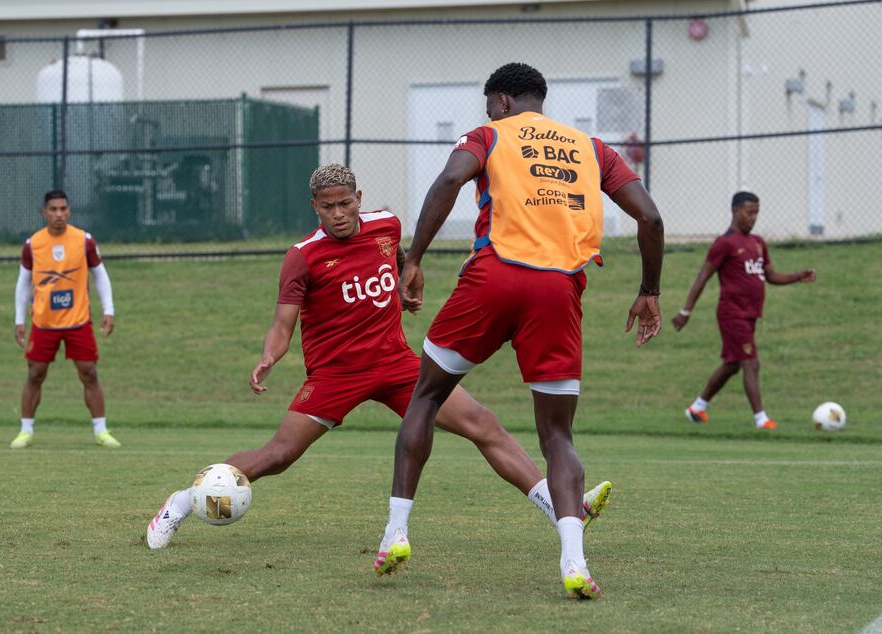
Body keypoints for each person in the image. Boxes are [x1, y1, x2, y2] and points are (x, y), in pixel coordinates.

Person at [146, 164, 613, 550]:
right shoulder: (303, 257)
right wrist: (269, 357)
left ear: (357, 198)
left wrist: (410, 285)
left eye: (345, 203)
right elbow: (282, 324)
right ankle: (182, 502)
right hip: (336, 374)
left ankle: (558, 508)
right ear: (315, 208)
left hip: (397, 364)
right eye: (327, 207)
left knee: (482, 424)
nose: (338, 214)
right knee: (279, 455)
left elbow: (400, 260)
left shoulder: (386, 226)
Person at [374, 63, 664, 599]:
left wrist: (412, 257)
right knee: (557, 436)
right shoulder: (593, 148)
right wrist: (649, 290)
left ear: (503, 101)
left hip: (494, 277)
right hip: (558, 290)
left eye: (490, 106)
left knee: (425, 397)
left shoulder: (490, 134)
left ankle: (395, 534)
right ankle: (574, 563)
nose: (488, 114)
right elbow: (649, 217)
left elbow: (449, 180)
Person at [672, 191, 816, 429]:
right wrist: (685, 311)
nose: (753, 218)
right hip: (731, 313)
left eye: (757, 213)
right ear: (735, 211)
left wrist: (799, 276)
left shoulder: (758, 243)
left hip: (751, 315)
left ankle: (697, 407)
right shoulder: (724, 244)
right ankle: (761, 419)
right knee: (751, 362)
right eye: (749, 212)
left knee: (733, 365)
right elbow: (702, 277)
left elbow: (771, 276)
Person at [10, 190, 120, 449]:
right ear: (44, 212)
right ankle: (25, 431)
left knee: (89, 373)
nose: (58, 214)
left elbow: (100, 275)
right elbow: (23, 282)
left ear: (69, 211)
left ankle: (101, 431)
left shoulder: (84, 240)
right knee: (35, 374)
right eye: (53, 209)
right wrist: (19, 319)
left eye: (63, 209)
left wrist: (109, 310)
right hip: (44, 323)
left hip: (78, 321)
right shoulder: (32, 244)